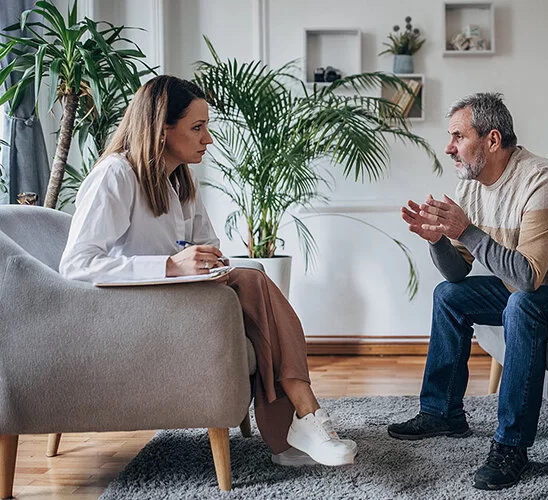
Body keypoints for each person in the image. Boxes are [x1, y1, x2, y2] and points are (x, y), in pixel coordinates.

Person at [59, 75, 356, 468]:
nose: (208, 139)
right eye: (197, 128)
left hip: (177, 300)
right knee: (252, 279)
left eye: (207, 127)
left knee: (250, 279)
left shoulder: (180, 180)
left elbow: (207, 249)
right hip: (127, 311)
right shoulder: (115, 175)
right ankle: (302, 421)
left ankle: (296, 430)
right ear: (161, 130)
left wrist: (206, 263)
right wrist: (169, 265)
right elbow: (76, 265)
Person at [389, 93, 548, 490]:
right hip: (537, 288)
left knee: (522, 305)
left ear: (493, 140)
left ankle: (512, 445)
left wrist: (465, 230)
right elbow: (455, 276)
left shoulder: (544, 181)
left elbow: (527, 278)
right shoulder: (469, 187)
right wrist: (439, 240)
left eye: (457, 136)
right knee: (449, 298)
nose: (448, 147)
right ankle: (442, 412)